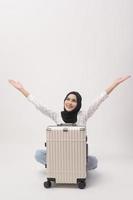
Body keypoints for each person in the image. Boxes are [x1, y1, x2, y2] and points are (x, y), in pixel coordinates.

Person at [9, 75, 131, 170]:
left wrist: (114, 84)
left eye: (74, 100)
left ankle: (67, 167)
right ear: (64, 101)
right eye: (67, 99)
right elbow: (38, 105)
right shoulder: (56, 115)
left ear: (78, 104)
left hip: (76, 156)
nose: (69, 102)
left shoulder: (83, 115)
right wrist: (21, 89)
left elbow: (99, 100)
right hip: (59, 154)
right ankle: (61, 166)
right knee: (38, 154)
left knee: (94, 162)